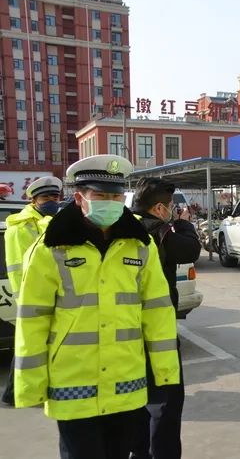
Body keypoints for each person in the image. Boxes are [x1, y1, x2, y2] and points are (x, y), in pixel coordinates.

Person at [13, 155, 180, 459]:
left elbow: (157, 311)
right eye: (101, 195)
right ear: (79, 198)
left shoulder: (141, 245)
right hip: (73, 384)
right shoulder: (51, 247)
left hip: (126, 382)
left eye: (116, 196)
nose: (111, 203)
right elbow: (33, 319)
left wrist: (165, 372)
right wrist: (30, 385)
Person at [129, 178, 202, 459]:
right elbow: (191, 250)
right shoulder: (157, 232)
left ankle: (139, 451)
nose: (173, 210)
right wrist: (183, 223)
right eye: (171, 206)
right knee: (166, 404)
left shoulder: (121, 228)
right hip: (158, 331)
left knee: (135, 397)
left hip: (125, 330)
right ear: (159, 208)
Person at [1, 176, 63, 406]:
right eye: (46, 197)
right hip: (28, 291)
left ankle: (17, 391)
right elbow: (27, 263)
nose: (52, 201)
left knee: (30, 342)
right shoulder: (22, 226)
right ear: (33, 200)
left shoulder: (48, 220)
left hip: (45, 288)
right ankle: (15, 392)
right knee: (29, 343)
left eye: (55, 197)